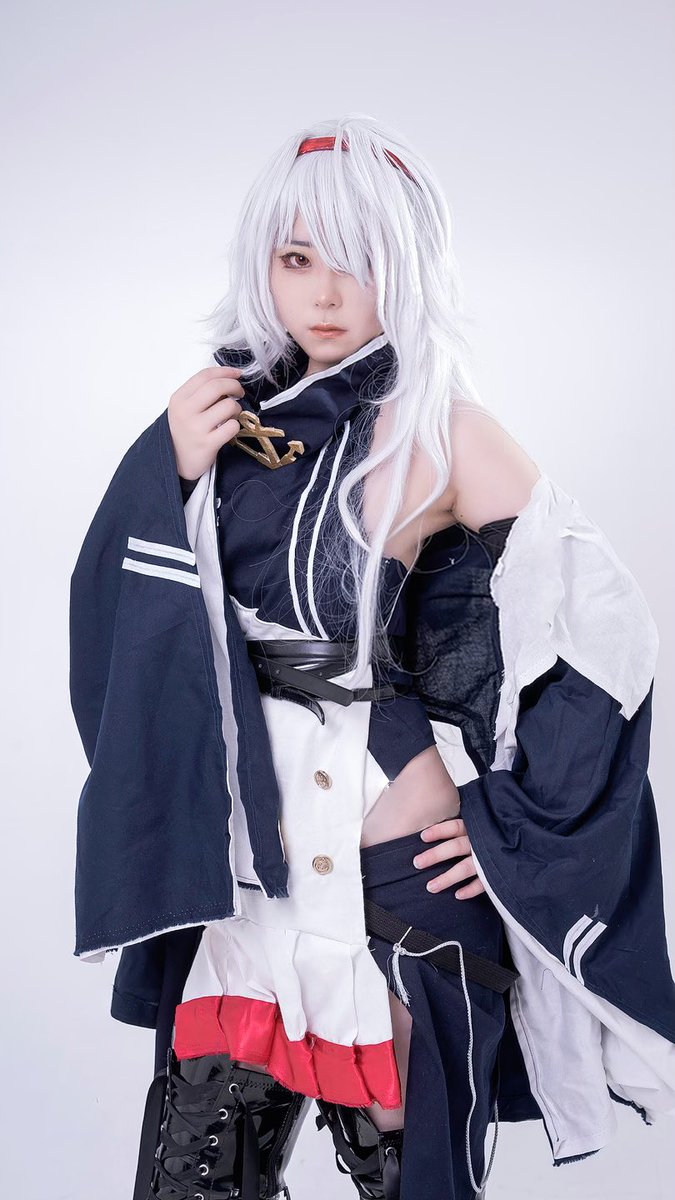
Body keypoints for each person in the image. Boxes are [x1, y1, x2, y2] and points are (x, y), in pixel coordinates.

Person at [68, 114, 675, 1200]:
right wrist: (167, 466)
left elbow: (603, 633)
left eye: (359, 262)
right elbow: (117, 611)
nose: (326, 295)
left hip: (391, 849)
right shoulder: (219, 415)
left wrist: (518, 826)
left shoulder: (444, 428)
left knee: (404, 1166)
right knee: (195, 1167)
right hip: (243, 848)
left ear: (410, 266)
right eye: (298, 259)